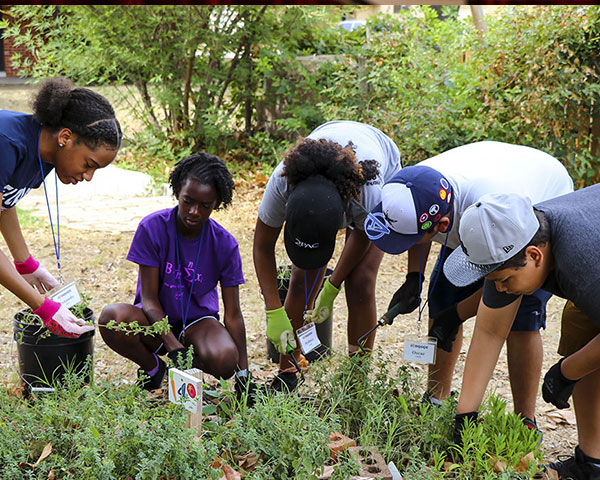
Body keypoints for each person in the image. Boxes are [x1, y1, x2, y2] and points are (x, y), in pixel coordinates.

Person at [365, 141, 573, 430]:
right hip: (480, 199)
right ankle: (436, 396)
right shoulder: (417, 185)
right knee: (442, 298)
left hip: (535, 206)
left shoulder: (495, 209)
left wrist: (458, 314)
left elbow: (495, 307)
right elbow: (415, 232)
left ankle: (524, 421)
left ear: (442, 224)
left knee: (521, 315)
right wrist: (415, 276)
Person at [443, 188, 600, 480]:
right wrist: (465, 416)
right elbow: (490, 332)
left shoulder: (582, 259)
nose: (500, 289)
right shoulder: (510, 242)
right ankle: (592, 463)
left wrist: (568, 371)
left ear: (534, 255)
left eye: (504, 281)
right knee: (580, 325)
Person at [253, 120, 401, 392]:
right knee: (301, 280)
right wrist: (274, 310)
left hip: (382, 163)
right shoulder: (282, 183)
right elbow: (262, 247)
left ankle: (357, 381)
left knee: (360, 282)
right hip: (325, 165)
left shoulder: (368, 194)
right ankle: (287, 373)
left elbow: (362, 235)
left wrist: (333, 287)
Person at [99, 153, 253, 396]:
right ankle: (153, 368)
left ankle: (187, 373)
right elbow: (149, 300)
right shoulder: (152, 228)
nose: (194, 212)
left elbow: (233, 314)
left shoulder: (225, 244)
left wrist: (244, 372)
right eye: (188, 201)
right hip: (153, 320)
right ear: (177, 192)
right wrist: (174, 349)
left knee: (225, 360)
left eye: (205, 206)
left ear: (217, 203)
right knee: (112, 318)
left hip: (198, 322)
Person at [0, 76, 122, 337]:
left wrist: (26, 264)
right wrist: (44, 307)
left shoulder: (44, 153)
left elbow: (4, 202)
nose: (88, 176)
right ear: (65, 137)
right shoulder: (7, 144)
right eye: (89, 165)